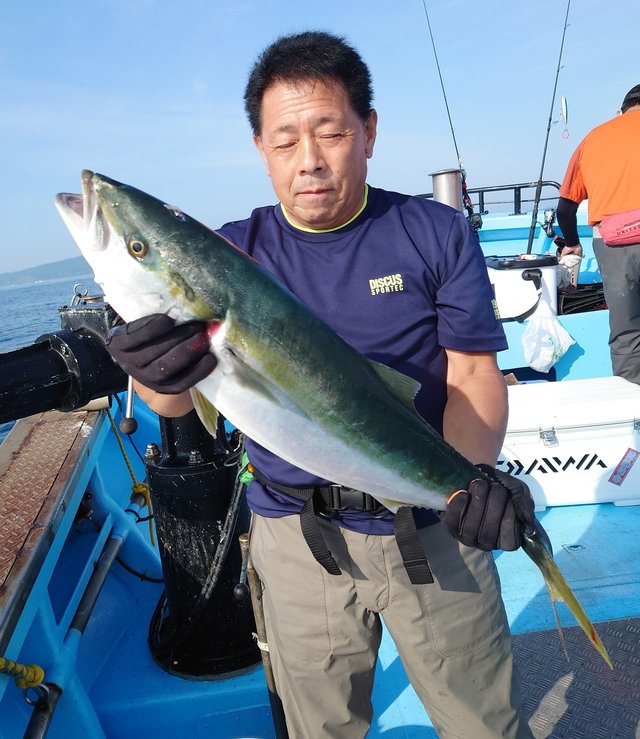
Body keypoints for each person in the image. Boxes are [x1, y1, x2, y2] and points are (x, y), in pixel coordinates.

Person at [107, 31, 535, 738]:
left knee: (485, 723)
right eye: (283, 142)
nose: (308, 161)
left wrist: (471, 483)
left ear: (368, 130)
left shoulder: (433, 231)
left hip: (434, 533)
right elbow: (175, 401)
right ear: (260, 149)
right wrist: (154, 373)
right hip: (295, 540)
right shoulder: (229, 254)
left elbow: (472, 373)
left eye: (330, 132)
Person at [556, 84, 640, 383]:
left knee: (626, 330)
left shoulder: (594, 137)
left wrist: (573, 245)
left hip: (614, 243)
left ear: (621, 111)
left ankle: (632, 406)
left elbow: (565, 209)